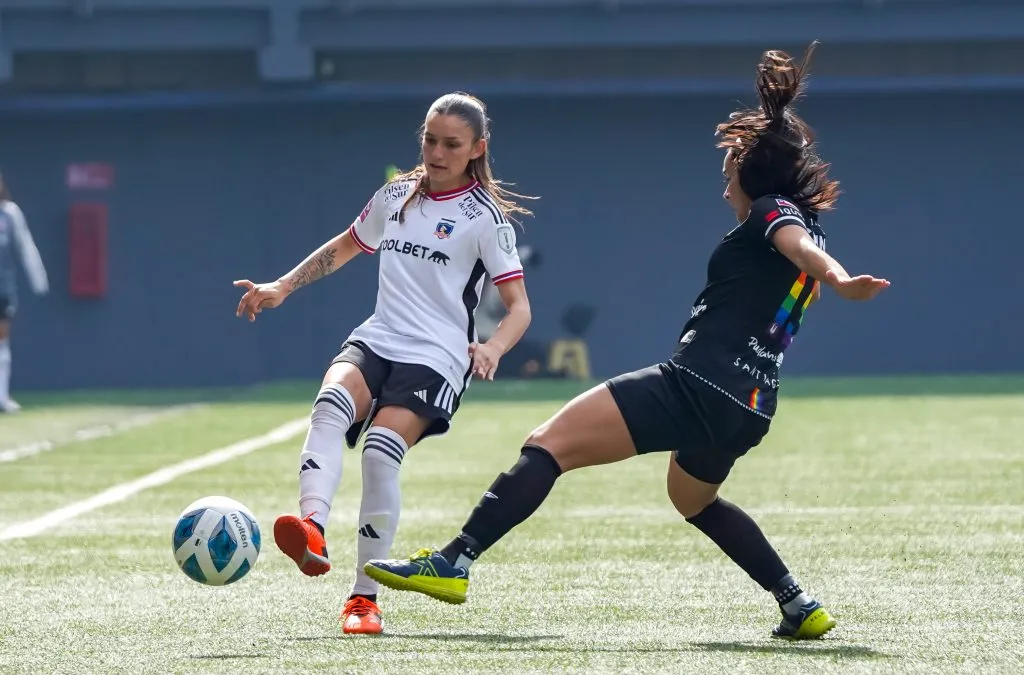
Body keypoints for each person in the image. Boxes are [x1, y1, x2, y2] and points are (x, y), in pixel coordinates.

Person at [364, 44, 890, 640]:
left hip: (698, 384)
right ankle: (797, 602)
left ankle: (455, 561)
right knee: (693, 500)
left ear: (751, 174)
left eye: (728, 177)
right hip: (750, 406)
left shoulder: (774, 212)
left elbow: (799, 247)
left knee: (548, 444)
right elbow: (798, 246)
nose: (725, 191)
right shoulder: (791, 217)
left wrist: (840, 279)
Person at [233, 92, 534, 635]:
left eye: (451, 144)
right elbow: (346, 246)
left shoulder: (484, 218)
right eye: (430, 139)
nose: (437, 152)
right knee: (329, 406)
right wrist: (283, 285)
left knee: (379, 452)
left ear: (476, 149)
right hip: (379, 337)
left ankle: (363, 600)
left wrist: (491, 347)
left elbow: (519, 309)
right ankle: (313, 528)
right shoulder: (394, 195)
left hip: (437, 357)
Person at [0, 174, 49, 415]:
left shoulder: (9, 213)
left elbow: (25, 245)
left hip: (2, 288)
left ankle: (2, 396)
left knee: (1, 340)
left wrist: (38, 279)